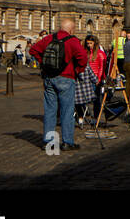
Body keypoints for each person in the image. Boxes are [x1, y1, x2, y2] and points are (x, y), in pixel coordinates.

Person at [30, 19, 89, 150]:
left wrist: (43, 64)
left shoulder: (49, 38)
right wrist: (77, 70)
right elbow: (83, 58)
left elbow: (33, 50)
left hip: (49, 77)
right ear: (71, 29)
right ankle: (67, 142)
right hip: (66, 78)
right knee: (67, 111)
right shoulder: (73, 41)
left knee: (50, 110)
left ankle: (49, 142)